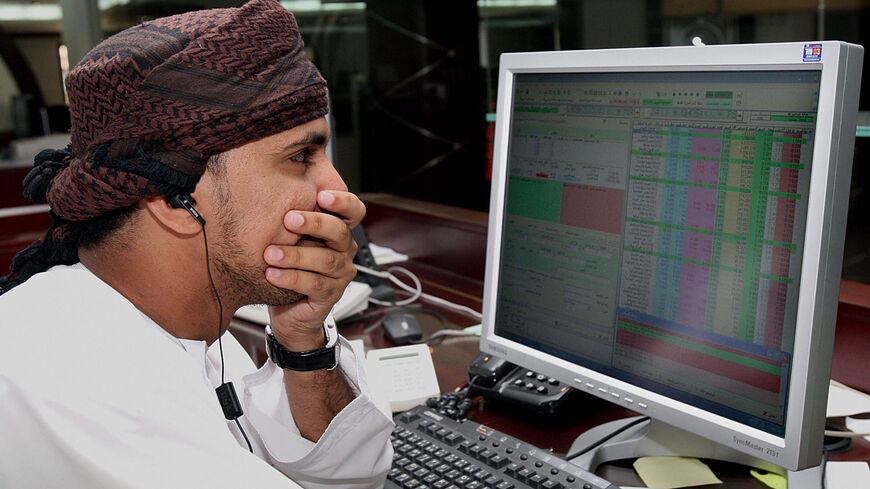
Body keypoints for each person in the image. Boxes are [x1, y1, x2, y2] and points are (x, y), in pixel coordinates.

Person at [0, 1, 393, 487]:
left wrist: (303, 340)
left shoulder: (187, 317)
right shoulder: (78, 381)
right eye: (301, 157)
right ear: (172, 199)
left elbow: (350, 478)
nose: (337, 191)